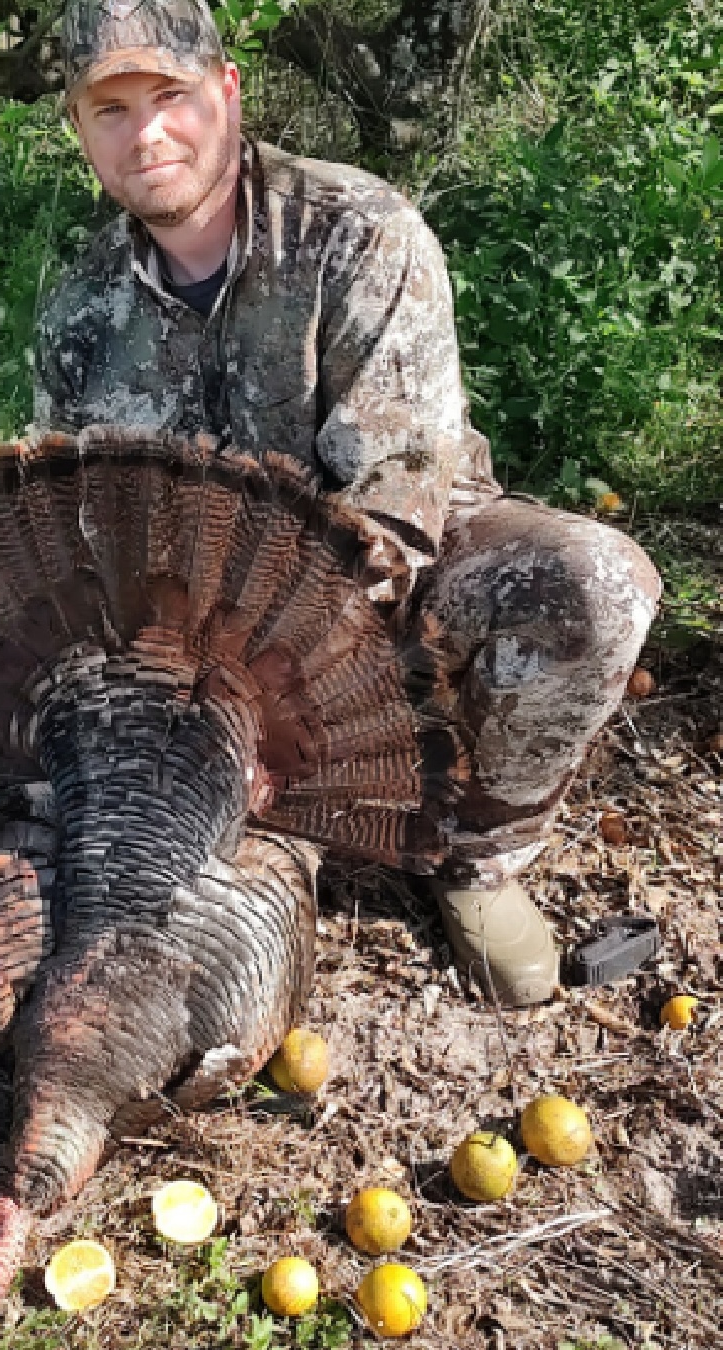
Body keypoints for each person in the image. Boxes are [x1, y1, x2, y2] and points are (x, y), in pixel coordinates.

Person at [32, 0, 661, 1006]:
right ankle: (289, 825)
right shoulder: (81, 307)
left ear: (227, 93)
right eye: (112, 109)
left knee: (597, 582)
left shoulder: (360, 232)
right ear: (78, 128)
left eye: (172, 96)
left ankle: (473, 850)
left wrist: (260, 694)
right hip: (194, 644)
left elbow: (395, 515)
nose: (147, 134)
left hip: (398, 589)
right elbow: (80, 528)